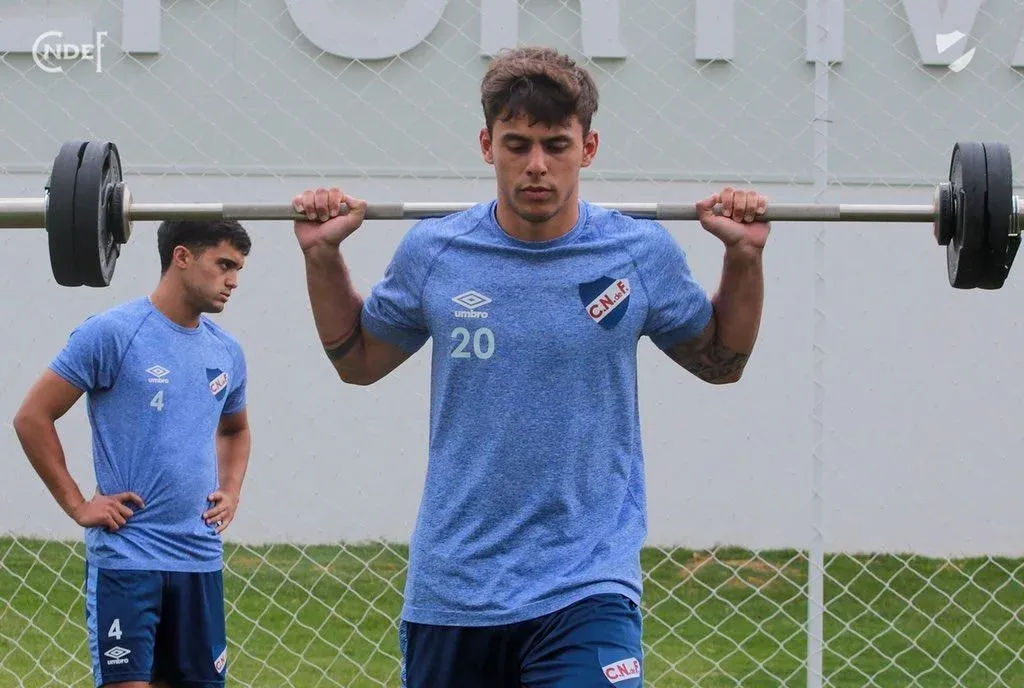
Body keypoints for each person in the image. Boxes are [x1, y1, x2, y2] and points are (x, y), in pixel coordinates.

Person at [292, 46, 770, 687]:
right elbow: (358, 362)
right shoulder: (436, 252)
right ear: (487, 145)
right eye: (517, 145)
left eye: (556, 145)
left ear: (588, 148)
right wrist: (322, 257)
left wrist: (744, 258)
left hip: (587, 579)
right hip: (456, 585)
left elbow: (720, 362)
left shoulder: (637, 252)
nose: (537, 165)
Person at [12, 219, 253, 688]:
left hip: (198, 557)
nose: (234, 281)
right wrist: (78, 504)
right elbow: (32, 417)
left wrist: (231, 489)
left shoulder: (227, 350)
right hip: (128, 557)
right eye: (224, 264)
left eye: (239, 269)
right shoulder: (113, 333)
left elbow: (236, 429)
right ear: (182, 257)